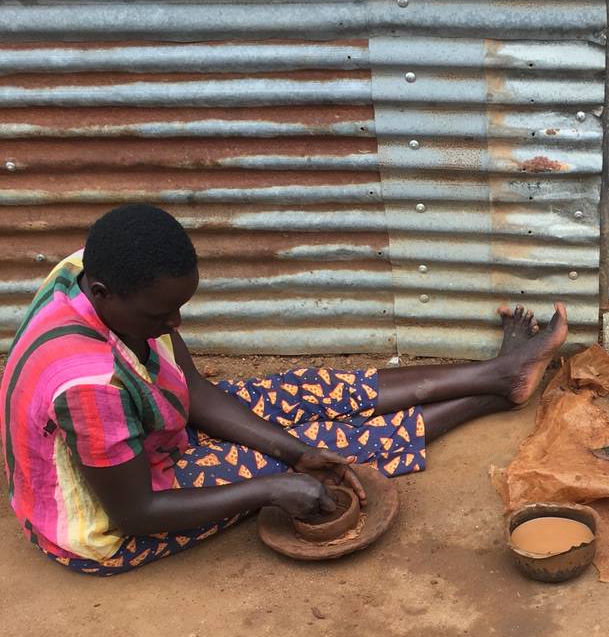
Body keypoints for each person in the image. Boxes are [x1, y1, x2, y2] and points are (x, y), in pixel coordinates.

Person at [0, 203, 567, 573]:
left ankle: (494, 375)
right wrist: (269, 487)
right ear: (103, 292)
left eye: (180, 308)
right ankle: (496, 389)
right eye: (161, 315)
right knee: (316, 457)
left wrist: (293, 449)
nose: (175, 325)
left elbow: (192, 389)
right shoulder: (89, 384)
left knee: (302, 394)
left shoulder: (85, 272)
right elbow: (137, 513)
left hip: (148, 436)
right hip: (112, 523)